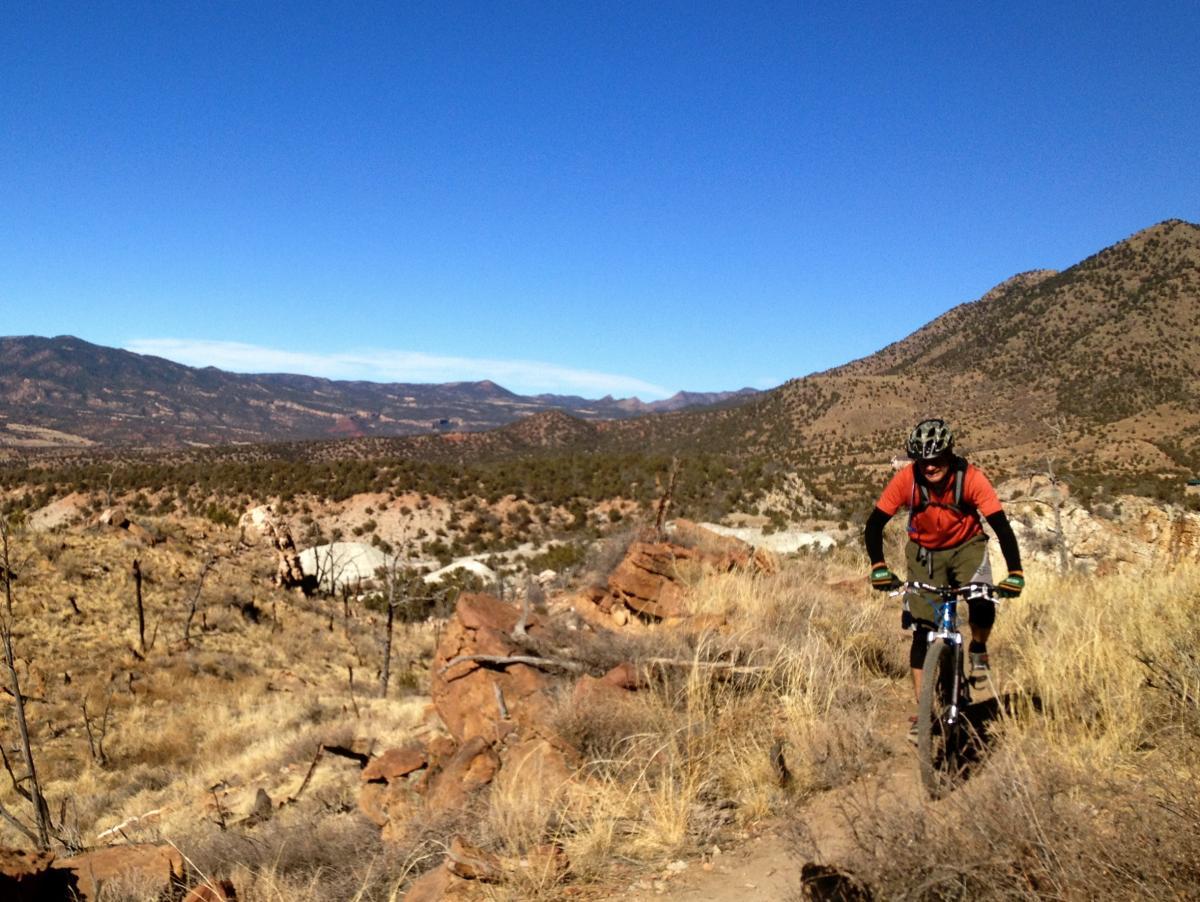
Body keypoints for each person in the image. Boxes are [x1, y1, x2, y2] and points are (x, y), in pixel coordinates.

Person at [862, 418, 1024, 737]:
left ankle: (978, 646)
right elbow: (874, 524)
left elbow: (1001, 526)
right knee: (922, 631)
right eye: (923, 460)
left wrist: (1015, 571)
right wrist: (878, 566)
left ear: (949, 456)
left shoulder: (971, 478)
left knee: (981, 600)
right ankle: (925, 711)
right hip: (924, 552)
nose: (930, 467)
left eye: (936, 460)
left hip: (967, 546)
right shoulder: (906, 480)